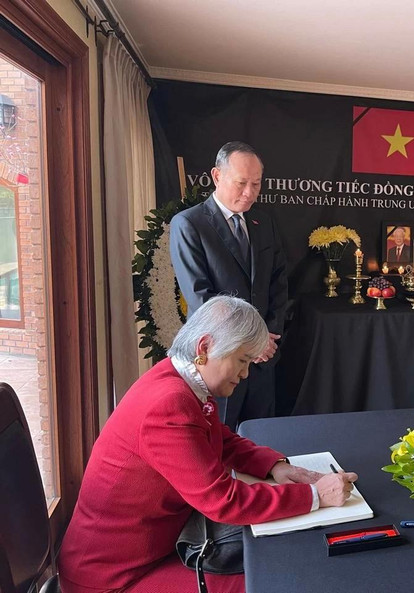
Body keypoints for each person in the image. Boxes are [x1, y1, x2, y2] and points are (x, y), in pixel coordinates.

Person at [57, 296, 357, 593]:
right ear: (204, 348)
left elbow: (218, 438)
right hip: (114, 578)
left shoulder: (177, 378)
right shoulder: (168, 404)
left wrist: (274, 466)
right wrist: (313, 495)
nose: (245, 374)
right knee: (277, 580)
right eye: (242, 361)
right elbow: (222, 501)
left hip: (152, 550)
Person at [170, 141, 287, 429]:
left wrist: (265, 338)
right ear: (217, 176)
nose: (249, 193)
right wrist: (249, 342)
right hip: (221, 358)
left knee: (262, 439)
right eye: (241, 183)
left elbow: (278, 283)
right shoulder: (189, 224)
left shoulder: (264, 221)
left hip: (263, 357)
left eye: (257, 184)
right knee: (220, 441)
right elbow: (201, 299)